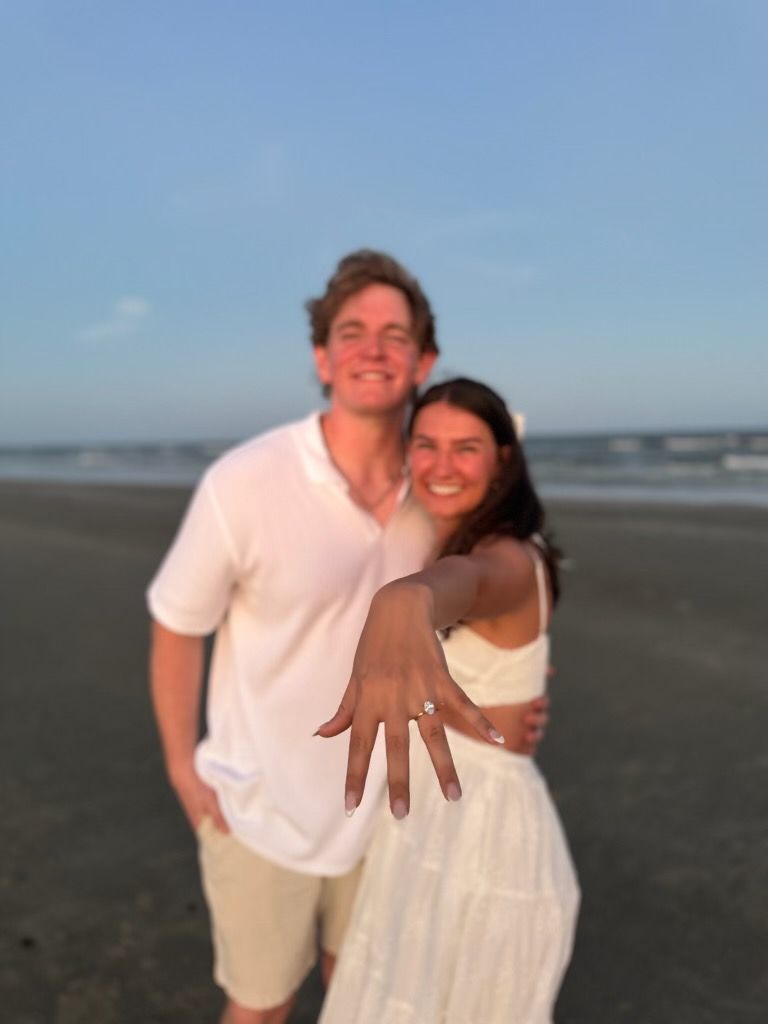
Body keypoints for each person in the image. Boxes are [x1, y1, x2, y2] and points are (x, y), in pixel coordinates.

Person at [147, 253, 548, 1024]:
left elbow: (492, 596)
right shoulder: (244, 481)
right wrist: (178, 764)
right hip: (263, 808)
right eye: (352, 332)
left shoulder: (442, 490)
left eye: (396, 335)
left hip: (396, 814)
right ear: (322, 358)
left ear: (423, 361)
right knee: (260, 1007)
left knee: (365, 999)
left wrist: (521, 688)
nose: (373, 348)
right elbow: (177, 623)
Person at [319, 377, 580, 1024]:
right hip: (432, 809)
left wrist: (407, 599)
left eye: (466, 448)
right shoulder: (453, 534)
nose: (442, 466)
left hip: (483, 828)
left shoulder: (507, 558)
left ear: (503, 459)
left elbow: (467, 584)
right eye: (427, 445)